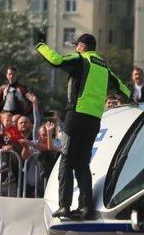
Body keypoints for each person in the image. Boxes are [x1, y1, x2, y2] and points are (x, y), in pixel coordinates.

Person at [35, 30, 131, 221]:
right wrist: (135, 98)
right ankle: (86, 207)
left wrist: (40, 44)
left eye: (77, 45)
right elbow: (121, 86)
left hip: (76, 116)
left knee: (66, 160)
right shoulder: (104, 66)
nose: (76, 48)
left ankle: (64, 206)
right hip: (94, 120)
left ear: (83, 46)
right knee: (82, 164)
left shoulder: (81, 59)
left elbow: (56, 60)